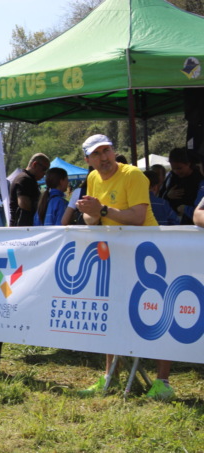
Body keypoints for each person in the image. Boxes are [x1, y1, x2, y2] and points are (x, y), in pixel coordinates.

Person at [76, 134, 172, 400]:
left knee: (156, 312)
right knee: (112, 313)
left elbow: (138, 217)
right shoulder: (93, 178)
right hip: (115, 255)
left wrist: (101, 210)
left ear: (113, 151)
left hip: (148, 254)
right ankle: (110, 377)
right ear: (88, 160)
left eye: (107, 150)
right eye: (97, 154)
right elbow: (91, 219)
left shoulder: (133, 175)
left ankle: (163, 382)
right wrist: (89, 211)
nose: (104, 157)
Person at [159, 147, 203, 225]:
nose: (176, 171)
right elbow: (160, 197)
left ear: (188, 164)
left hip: (192, 220)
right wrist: (167, 195)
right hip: (172, 220)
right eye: (173, 168)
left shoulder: (199, 177)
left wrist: (185, 209)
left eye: (179, 168)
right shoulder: (171, 177)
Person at [9, 153, 50, 226]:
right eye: (44, 169)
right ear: (34, 164)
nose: (44, 173)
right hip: (22, 227)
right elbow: (24, 204)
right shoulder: (24, 179)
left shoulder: (29, 179)